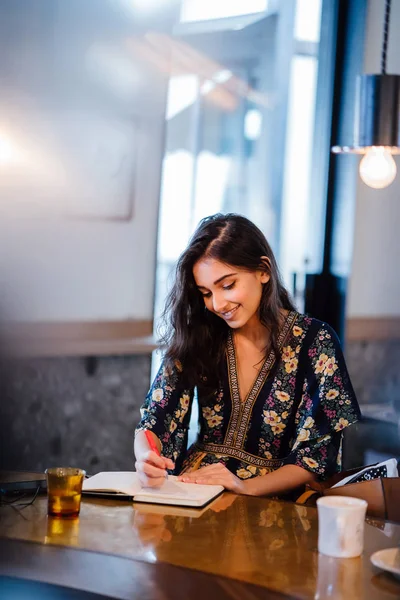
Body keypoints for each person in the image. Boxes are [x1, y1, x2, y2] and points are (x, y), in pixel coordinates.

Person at [134, 214, 360, 498]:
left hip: (275, 502)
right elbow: (155, 419)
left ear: (263, 270)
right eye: (206, 293)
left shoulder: (316, 341)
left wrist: (244, 486)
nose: (217, 304)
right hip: (196, 494)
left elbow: (316, 457)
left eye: (228, 285)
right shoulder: (199, 334)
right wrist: (146, 457)